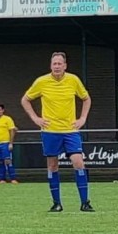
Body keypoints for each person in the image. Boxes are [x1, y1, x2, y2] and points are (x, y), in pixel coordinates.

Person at [21, 51, 94, 212]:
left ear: (65, 65)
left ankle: (85, 202)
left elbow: (86, 98)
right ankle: (57, 203)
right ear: (51, 65)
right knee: (53, 166)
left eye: (60, 63)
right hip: (50, 131)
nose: (57, 66)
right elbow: (25, 99)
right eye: (54, 64)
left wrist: (82, 118)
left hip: (70, 130)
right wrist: (36, 118)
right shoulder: (41, 82)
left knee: (78, 162)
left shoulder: (73, 80)